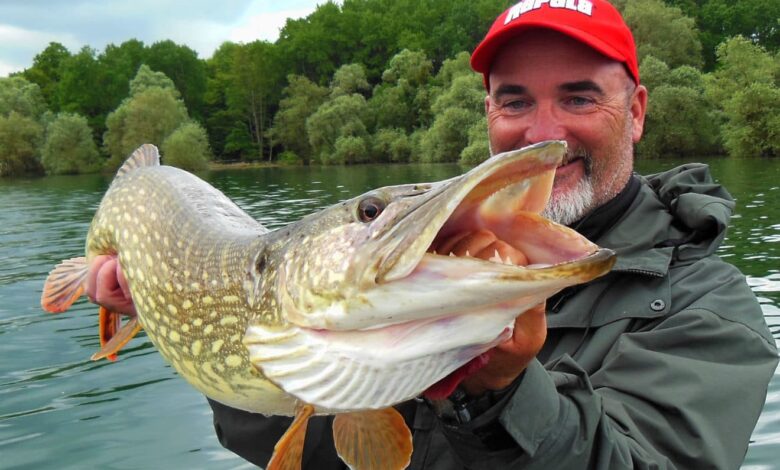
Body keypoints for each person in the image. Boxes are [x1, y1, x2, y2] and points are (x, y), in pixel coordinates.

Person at [88, 1, 778, 468]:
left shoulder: (709, 308)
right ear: (488, 113)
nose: (541, 134)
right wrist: (172, 299)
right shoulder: (416, 271)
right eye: (515, 100)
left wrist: (504, 390)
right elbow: (287, 442)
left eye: (578, 96)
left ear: (636, 113)